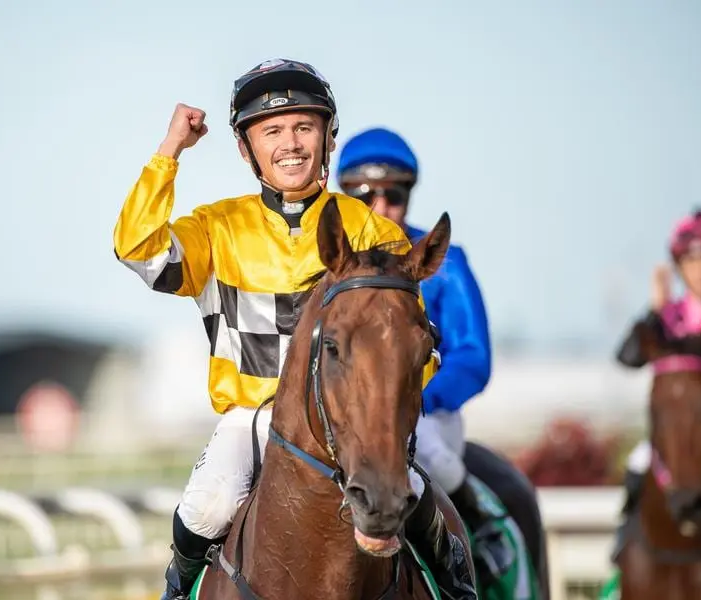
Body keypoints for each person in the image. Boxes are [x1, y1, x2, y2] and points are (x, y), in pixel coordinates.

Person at [113, 59, 477, 600]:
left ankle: (458, 587)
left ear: (328, 138)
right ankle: (176, 590)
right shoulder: (216, 227)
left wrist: (384, 408)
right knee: (207, 505)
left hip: (355, 418)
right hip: (254, 417)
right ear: (246, 149)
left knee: (425, 502)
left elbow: (408, 345)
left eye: (304, 127)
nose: (291, 143)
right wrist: (170, 152)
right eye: (272, 131)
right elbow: (137, 249)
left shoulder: (373, 230)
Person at [335, 127, 507, 580]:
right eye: (364, 194)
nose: (380, 207)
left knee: (426, 451)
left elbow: (473, 358)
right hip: (348, 414)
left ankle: (478, 524)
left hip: (428, 414)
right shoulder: (331, 266)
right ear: (344, 195)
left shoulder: (446, 262)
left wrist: (412, 401)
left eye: (394, 194)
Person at [612, 208, 701, 557]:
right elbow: (628, 357)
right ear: (679, 267)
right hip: (675, 435)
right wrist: (653, 309)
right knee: (637, 464)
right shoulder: (669, 316)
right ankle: (625, 549)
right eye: (692, 262)